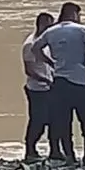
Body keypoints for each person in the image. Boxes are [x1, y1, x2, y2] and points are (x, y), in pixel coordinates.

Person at [31, 2, 85, 166]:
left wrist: (51, 62)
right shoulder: (83, 30)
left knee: (63, 120)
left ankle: (70, 157)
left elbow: (36, 49)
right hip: (79, 80)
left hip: (59, 81)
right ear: (75, 14)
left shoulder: (51, 32)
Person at [22, 12, 63, 161]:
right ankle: (30, 150)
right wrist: (45, 79)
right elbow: (29, 70)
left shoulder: (46, 43)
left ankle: (55, 150)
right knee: (38, 121)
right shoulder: (30, 44)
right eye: (49, 25)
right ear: (41, 24)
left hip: (50, 86)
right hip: (36, 89)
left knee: (55, 120)